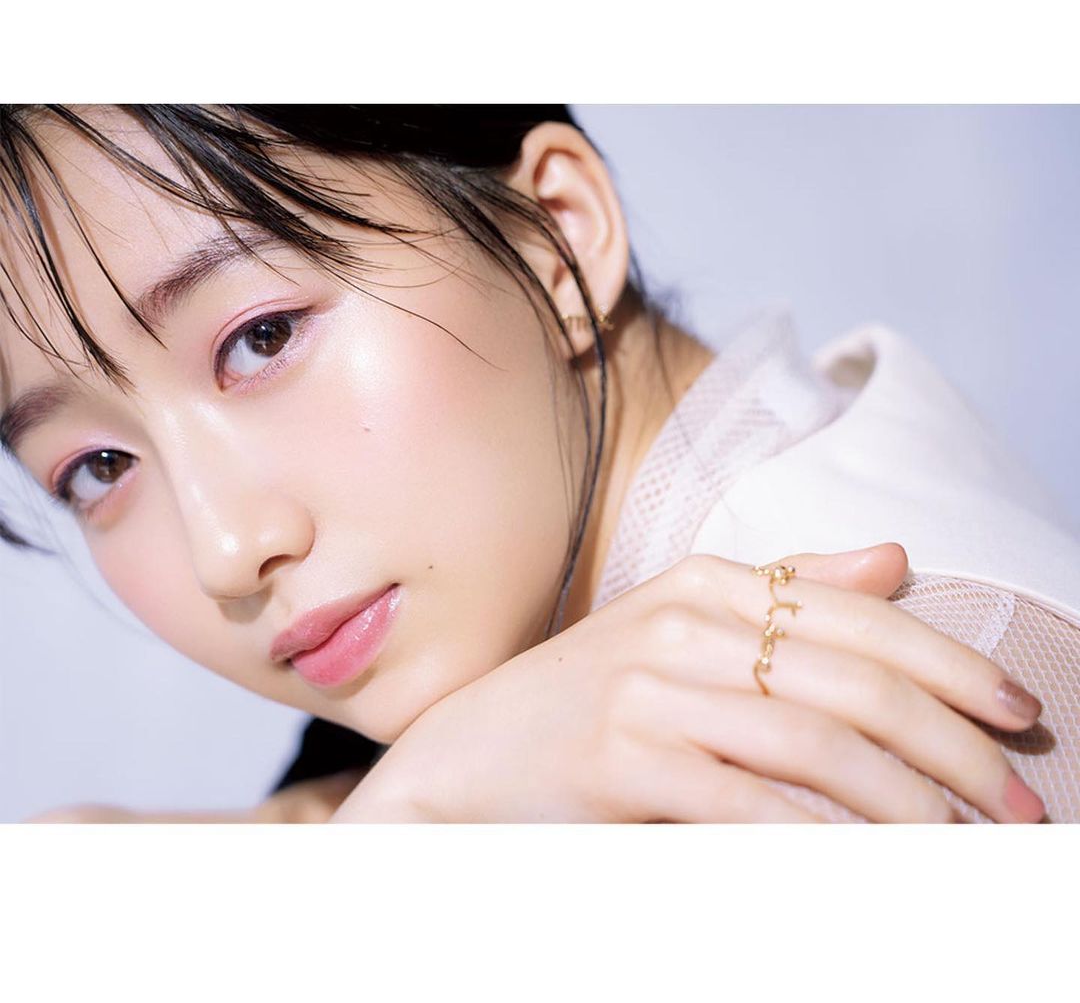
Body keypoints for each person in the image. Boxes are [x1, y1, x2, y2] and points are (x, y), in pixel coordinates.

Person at [1, 105, 1076, 824]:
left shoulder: (839, 742)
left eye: (262, 338)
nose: (228, 549)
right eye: (96, 466)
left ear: (554, 238)